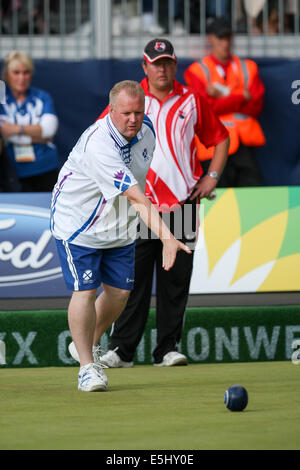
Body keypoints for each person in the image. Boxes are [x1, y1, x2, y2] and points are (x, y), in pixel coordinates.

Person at [87, 39, 229, 369]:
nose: (162, 69)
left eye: (167, 62)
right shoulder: (131, 99)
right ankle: (121, 350)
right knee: (129, 281)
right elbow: (98, 136)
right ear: (144, 66)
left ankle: (167, 348)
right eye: (156, 63)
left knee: (175, 281)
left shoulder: (193, 98)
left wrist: (213, 176)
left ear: (176, 65)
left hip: (182, 201)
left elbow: (221, 138)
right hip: (139, 202)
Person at [50, 80, 192, 392]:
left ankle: (85, 342)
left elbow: (139, 182)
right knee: (85, 291)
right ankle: (88, 367)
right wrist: (168, 237)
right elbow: (137, 197)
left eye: (138, 112)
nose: (133, 118)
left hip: (118, 226)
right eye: (126, 112)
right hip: (79, 225)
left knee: (119, 294)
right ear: (111, 111)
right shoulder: (99, 145)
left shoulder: (148, 131)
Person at [184, 17, 266, 187]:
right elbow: (206, 108)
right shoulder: (197, 71)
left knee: (252, 198)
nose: (225, 43)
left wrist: (220, 96)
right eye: (221, 37)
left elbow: (256, 106)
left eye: (228, 37)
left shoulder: (248, 67)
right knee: (217, 202)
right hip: (213, 146)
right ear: (210, 38)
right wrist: (242, 96)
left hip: (244, 144)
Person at [0, 50, 59, 192]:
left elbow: (49, 129)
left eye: (26, 72)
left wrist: (14, 131)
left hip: (45, 167)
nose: (22, 77)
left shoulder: (42, 96)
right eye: (16, 72)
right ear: (7, 75)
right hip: (11, 172)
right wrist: (39, 136)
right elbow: (2, 131)